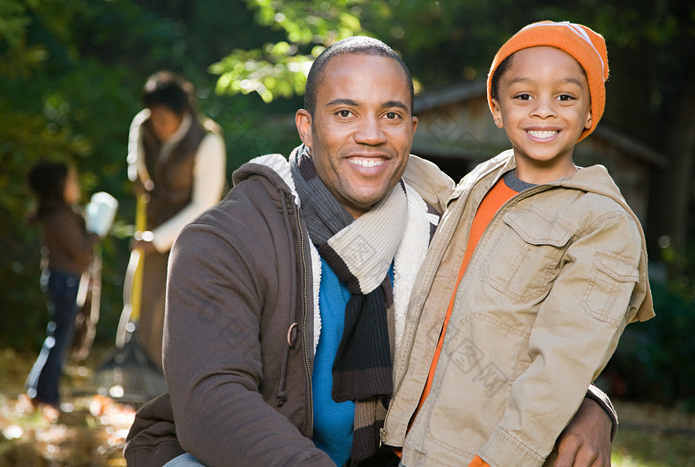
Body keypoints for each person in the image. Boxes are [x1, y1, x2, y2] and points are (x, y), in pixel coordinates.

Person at [124, 36, 617, 467]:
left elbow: (508, 340)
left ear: (411, 130)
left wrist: (591, 405)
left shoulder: (442, 235)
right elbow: (213, 403)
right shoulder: (226, 238)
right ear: (305, 125)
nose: (372, 134)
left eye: (391, 114)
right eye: (345, 112)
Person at [382, 21, 655, 467]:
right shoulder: (480, 181)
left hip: (478, 456)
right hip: (406, 441)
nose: (543, 111)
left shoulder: (601, 223)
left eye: (565, 97)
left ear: (590, 113)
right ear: (496, 107)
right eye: (524, 96)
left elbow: (560, 369)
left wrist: (495, 461)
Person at [126, 71, 226, 369]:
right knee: (140, 297)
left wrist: (156, 240)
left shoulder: (208, 141)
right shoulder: (143, 125)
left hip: (195, 235)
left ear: (182, 113)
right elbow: (136, 161)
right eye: (152, 117)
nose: (156, 126)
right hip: (153, 225)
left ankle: (171, 382)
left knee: (177, 309)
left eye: (163, 120)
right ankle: (137, 375)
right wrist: (137, 176)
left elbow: (203, 204)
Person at [22, 161, 99, 421]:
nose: (77, 187)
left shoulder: (61, 214)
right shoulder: (59, 217)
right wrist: (97, 232)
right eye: (72, 182)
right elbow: (79, 249)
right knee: (60, 338)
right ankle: (48, 396)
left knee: (57, 336)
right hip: (65, 281)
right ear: (57, 188)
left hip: (65, 279)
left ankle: (37, 389)